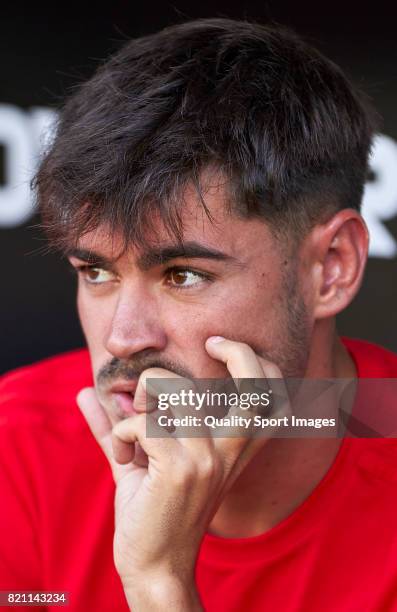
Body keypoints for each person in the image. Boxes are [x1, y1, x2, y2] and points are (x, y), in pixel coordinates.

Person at [1, 17, 397, 612]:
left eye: (183, 275)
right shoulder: (15, 447)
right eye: (97, 272)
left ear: (331, 267)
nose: (123, 338)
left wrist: (160, 584)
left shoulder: (380, 435)